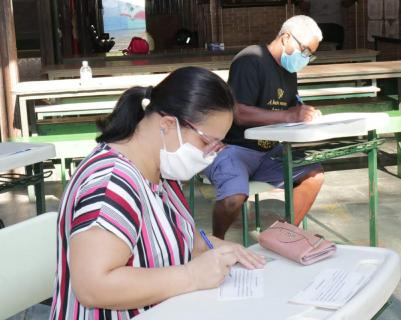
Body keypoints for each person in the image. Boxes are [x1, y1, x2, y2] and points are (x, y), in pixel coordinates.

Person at [50, 67, 265, 320]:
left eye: (218, 145)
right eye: (207, 143)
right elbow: (93, 287)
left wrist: (223, 250)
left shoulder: (161, 171)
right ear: (167, 125)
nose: (212, 154)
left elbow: (187, 239)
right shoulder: (111, 185)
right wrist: (192, 275)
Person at [203, 15, 325, 240]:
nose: (306, 58)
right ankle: (216, 241)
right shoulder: (251, 59)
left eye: (310, 54)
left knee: (314, 174)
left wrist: (302, 111)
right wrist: (288, 115)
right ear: (286, 38)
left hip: (269, 152)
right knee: (233, 197)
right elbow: (239, 113)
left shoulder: (289, 71)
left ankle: (283, 236)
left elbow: (290, 107)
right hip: (235, 149)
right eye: (305, 50)